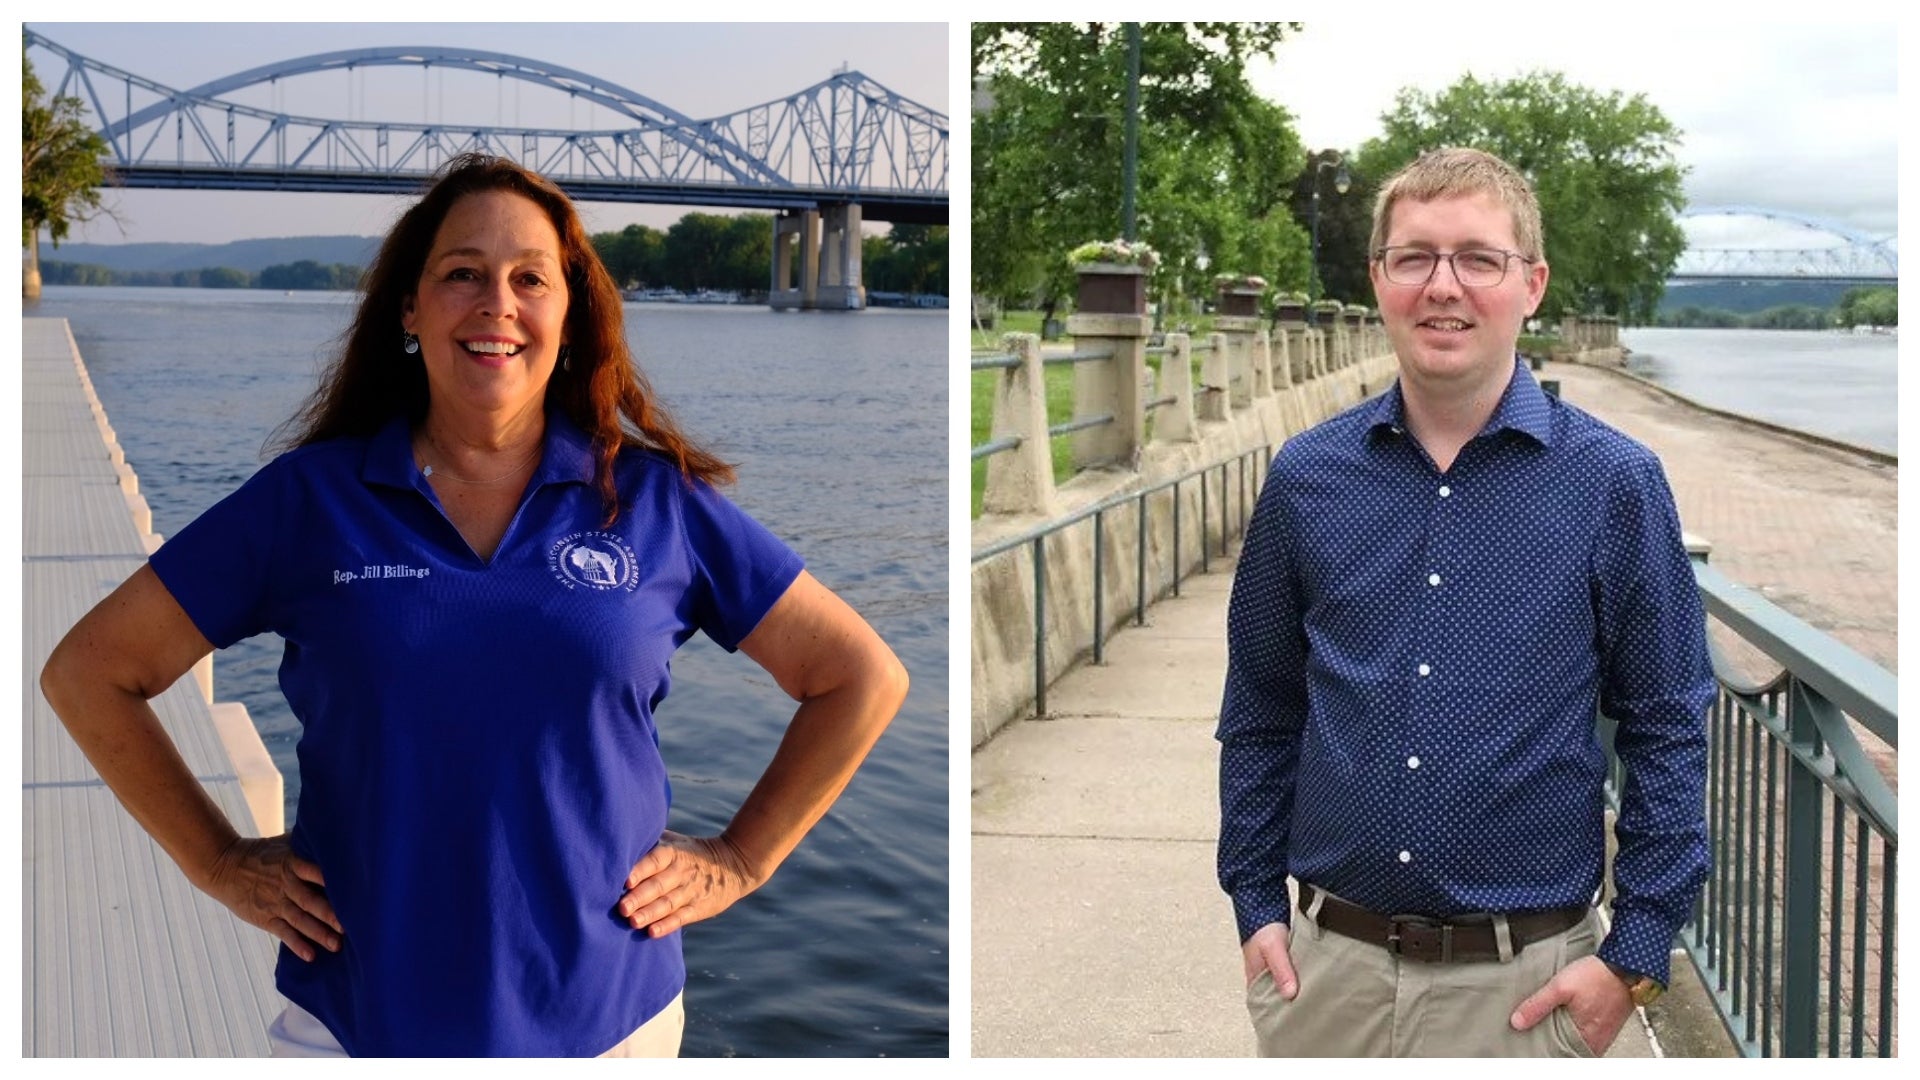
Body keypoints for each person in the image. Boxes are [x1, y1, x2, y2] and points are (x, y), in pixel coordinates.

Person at [39, 153, 909, 1057]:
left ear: (568, 317)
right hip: (359, 1022)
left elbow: (858, 677)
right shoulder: (310, 501)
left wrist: (741, 858)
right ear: (410, 311)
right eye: (462, 274)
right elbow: (90, 671)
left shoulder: (655, 504)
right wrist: (217, 862)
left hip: (612, 1023)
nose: (497, 302)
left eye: (529, 278)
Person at [1216, 147, 1713, 1057]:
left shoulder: (1616, 484)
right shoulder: (1305, 478)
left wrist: (1632, 954)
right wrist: (1254, 904)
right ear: (1379, 279)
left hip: (1527, 996)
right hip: (1328, 982)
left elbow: (1669, 723)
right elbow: (1261, 708)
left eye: (1479, 259)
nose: (1444, 285)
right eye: (1415, 257)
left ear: (1531, 284)